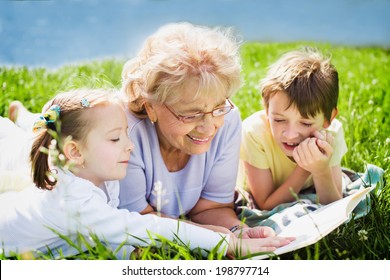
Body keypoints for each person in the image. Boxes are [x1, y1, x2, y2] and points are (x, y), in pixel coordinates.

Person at [0, 89, 293, 259]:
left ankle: (25, 120)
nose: (130, 146)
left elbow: (120, 230)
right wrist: (226, 243)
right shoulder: (76, 201)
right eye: (116, 139)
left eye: (126, 135)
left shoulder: (91, 171)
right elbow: (147, 228)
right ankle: (23, 122)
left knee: (31, 153)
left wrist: (227, 231)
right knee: (20, 158)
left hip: (31, 202)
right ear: (76, 152)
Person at [118, 22, 265, 237]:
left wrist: (238, 232)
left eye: (218, 107)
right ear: (151, 107)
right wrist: (218, 239)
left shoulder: (229, 119)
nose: (208, 127)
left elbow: (211, 208)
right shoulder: (122, 133)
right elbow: (137, 221)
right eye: (191, 114)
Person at [237, 48, 348, 211]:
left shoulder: (331, 134)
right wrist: (304, 167)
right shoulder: (254, 133)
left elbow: (334, 207)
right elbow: (265, 205)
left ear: (328, 119)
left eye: (306, 123)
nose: (290, 134)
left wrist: (321, 170)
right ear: (267, 110)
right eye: (279, 120)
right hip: (262, 197)